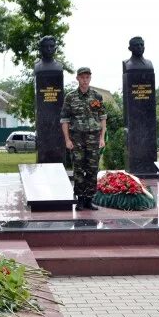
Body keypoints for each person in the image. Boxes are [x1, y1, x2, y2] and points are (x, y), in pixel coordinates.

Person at [60, 67, 106, 211]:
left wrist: (102, 138)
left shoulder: (97, 96)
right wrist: (67, 140)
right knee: (79, 169)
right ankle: (80, 199)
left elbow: (103, 118)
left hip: (93, 138)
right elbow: (64, 120)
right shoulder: (70, 97)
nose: (85, 80)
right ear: (77, 79)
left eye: (87, 77)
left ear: (90, 78)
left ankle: (89, 199)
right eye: (82, 77)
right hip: (77, 138)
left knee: (92, 169)